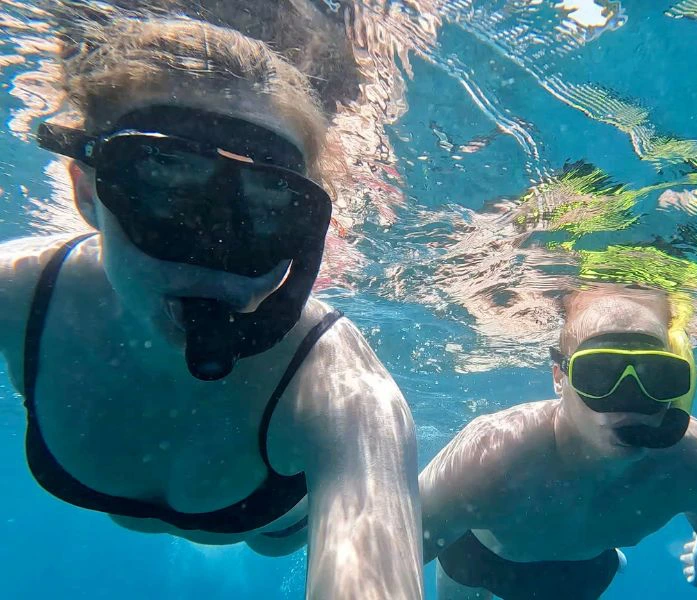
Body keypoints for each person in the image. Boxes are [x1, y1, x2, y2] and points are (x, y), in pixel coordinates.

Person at [0, 3, 422, 598]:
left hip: (274, 524)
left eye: (267, 208)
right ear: (88, 192)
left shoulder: (342, 385)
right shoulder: (16, 289)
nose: (212, 255)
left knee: (272, 543)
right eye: (165, 185)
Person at [420, 285, 697, 600]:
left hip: (582, 573)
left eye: (656, 375)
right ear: (559, 377)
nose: (629, 401)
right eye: (598, 373)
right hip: (477, 560)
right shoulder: (489, 456)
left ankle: (611, 557)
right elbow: (400, 546)